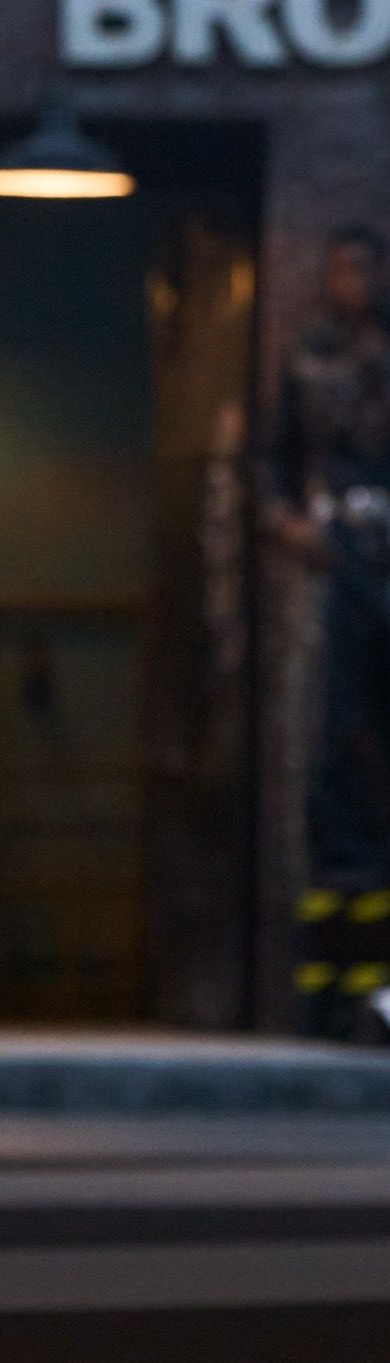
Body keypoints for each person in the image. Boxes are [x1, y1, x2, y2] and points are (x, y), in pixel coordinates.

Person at [268, 222, 390, 1035]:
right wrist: (289, 523)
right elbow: (271, 463)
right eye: (344, 270)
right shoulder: (309, 360)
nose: (356, 283)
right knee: (332, 748)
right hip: (335, 560)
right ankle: (332, 988)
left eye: (367, 269)